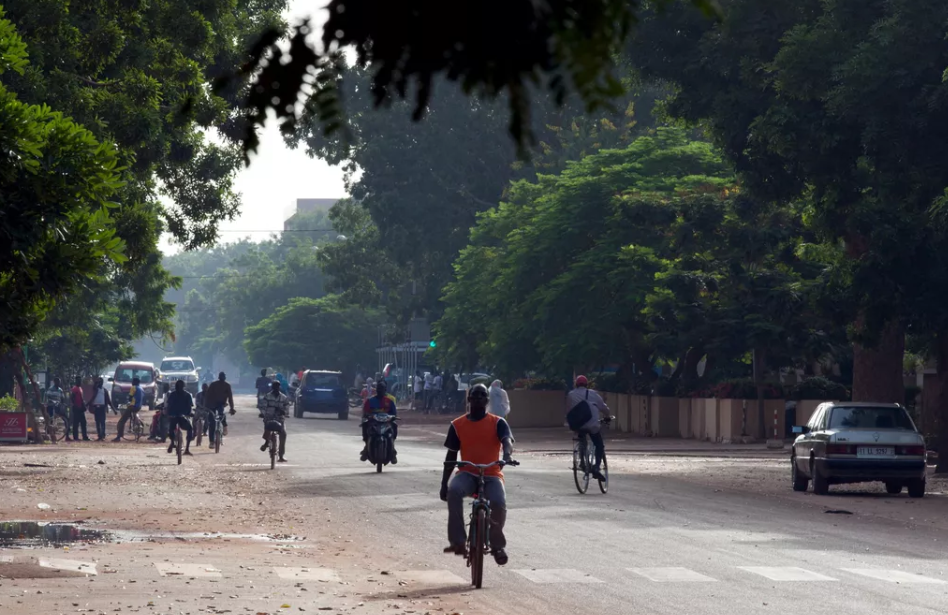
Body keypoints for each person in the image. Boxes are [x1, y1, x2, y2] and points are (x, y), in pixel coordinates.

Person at [439, 383, 514, 565]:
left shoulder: (498, 422)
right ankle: (458, 541)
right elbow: (451, 455)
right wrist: (444, 484)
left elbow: (507, 441)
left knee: (498, 502)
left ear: (487, 401)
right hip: (467, 473)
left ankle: (497, 546)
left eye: (482, 395)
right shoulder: (457, 425)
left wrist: (507, 455)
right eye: (475, 395)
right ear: (469, 399)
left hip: (492, 474)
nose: (479, 398)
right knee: (454, 492)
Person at [565, 375, 610, 481]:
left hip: (577, 424)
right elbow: (604, 408)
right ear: (587, 384)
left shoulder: (571, 394)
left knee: (582, 438)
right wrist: (607, 417)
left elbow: (568, 411)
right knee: (599, 445)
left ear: (576, 384)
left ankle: (582, 462)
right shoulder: (593, 394)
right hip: (592, 424)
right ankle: (596, 467)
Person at [360, 379, 398, 463]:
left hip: (386, 422)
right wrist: (367, 416)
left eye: (382, 389)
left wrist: (393, 417)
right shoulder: (370, 401)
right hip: (374, 422)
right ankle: (366, 447)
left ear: (385, 390)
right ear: (376, 390)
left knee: (394, 425)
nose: (380, 391)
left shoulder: (389, 401)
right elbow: (365, 412)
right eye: (379, 389)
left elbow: (394, 413)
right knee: (364, 424)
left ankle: (393, 452)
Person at [259, 380, 290, 462]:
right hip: (269, 418)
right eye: (274, 386)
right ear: (272, 387)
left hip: (280, 419)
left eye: (278, 386)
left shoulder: (284, 397)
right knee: (267, 429)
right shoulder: (267, 396)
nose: (276, 388)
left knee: (283, 434)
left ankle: (281, 455)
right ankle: (266, 442)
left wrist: (284, 412)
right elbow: (262, 407)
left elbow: (287, 408)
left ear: (279, 387)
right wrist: (263, 413)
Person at [164, 380, 195, 455]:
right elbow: (190, 407)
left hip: (173, 416)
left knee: (171, 429)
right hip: (183, 417)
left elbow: (168, 406)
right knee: (190, 428)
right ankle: (187, 448)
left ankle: (172, 442)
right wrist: (190, 413)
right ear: (184, 386)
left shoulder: (172, 394)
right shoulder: (187, 395)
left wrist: (168, 414)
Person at [205, 371, 236, 445]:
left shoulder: (227, 386)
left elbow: (230, 398)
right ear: (219, 378)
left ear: (224, 378)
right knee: (211, 423)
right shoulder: (213, 384)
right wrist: (206, 406)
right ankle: (211, 442)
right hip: (212, 404)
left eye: (223, 377)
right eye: (221, 377)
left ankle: (225, 426)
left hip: (221, 404)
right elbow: (207, 396)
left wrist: (232, 408)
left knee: (221, 414)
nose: (222, 379)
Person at [113, 376, 145, 441]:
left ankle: (119, 436)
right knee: (133, 415)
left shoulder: (133, 387)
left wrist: (128, 400)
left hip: (132, 406)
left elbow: (130, 397)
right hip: (138, 407)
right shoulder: (141, 389)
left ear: (134, 382)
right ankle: (137, 424)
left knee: (122, 421)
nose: (132, 383)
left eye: (132, 382)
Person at [87, 376, 114, 441]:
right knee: (97, 422)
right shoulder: (95, 390)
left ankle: (103, 435)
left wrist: (114, 409)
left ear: (102, 383)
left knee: (102, 422)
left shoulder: (104, 390)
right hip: (96, 408)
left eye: (101, 382)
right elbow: (92, 391)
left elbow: (108, 401)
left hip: (102, 408)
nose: (100, 383)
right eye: (99, 382)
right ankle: (99, 435)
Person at [70, 376, 90, 441]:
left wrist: (83, 405)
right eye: (78, 380)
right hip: (76, 408)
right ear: (76, 381)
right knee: (76, 423)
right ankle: (75, 437)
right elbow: (72, 398)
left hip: (80, 408)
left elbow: (81, 398)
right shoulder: (74, 388)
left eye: (80, 380)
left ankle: (84, 436)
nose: (79, 382)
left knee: (83, 423)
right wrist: (75, 406)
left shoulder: (80, 388)